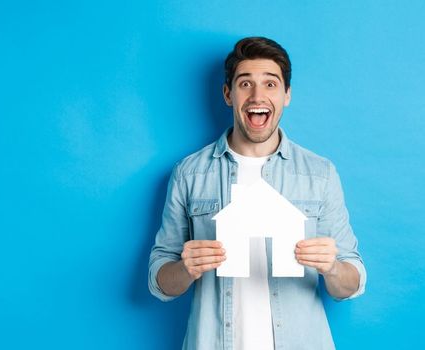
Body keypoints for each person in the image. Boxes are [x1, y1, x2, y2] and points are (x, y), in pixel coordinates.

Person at [148, 36, 366, 350]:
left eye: (271, 84)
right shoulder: (189, 173)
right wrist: (185, 268)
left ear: (287, 94)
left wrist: (331, 267)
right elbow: (160, 281)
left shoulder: (320, 173)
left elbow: (353, 280)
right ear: (228, 94)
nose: (257, 95)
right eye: (245, 84)